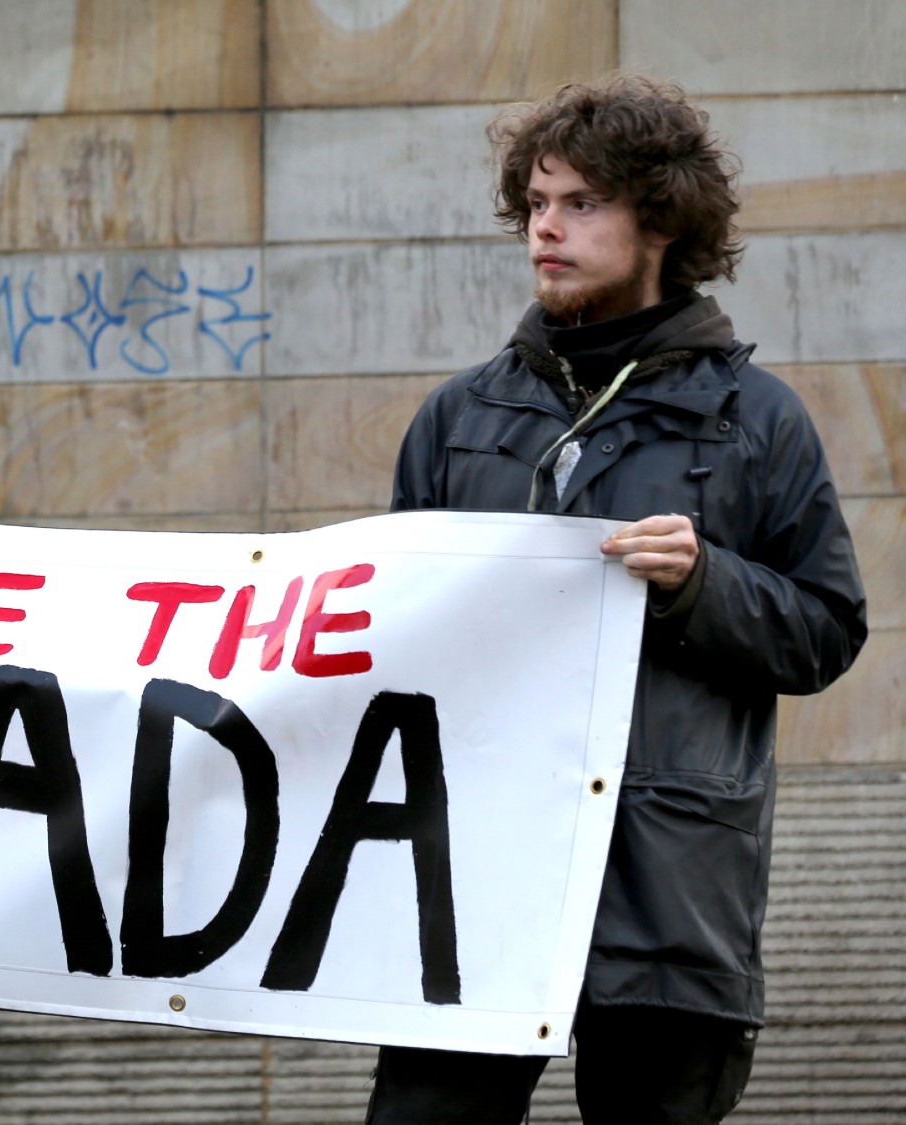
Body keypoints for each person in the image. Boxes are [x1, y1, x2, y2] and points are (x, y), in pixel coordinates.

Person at [375, 77, 866, 1123]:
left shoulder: (755, 421)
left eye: (580, 204)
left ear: (659, 220)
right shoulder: (458, 418)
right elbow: (392, 637)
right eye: (535, 206)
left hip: (669, 886)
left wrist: (702, 584)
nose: (544, 230)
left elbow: (825, 633)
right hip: (475, 883)